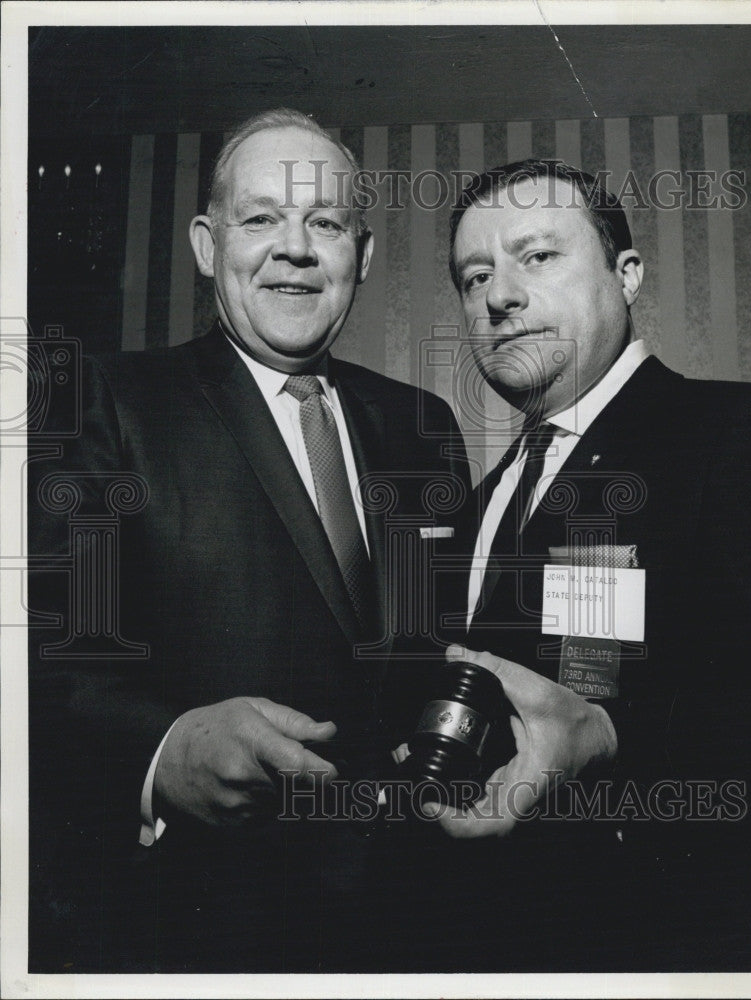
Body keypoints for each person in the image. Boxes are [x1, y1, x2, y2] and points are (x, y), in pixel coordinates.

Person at [27, 108, 467, 973]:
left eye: (326, 224)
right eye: (260, 217)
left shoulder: (423, 424)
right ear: (204, 244)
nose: (294, 248)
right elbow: (41, 656)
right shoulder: (102, 402)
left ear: (362, 257)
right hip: (191, 924)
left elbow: (431, 638)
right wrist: (161, 751)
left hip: (407, 912)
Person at [420, 159, 751, 970]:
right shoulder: (473, 508)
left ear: (627, 274)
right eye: (474, 276)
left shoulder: (746, 435)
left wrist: (611, 734)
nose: (498, 296)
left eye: (536, 256)